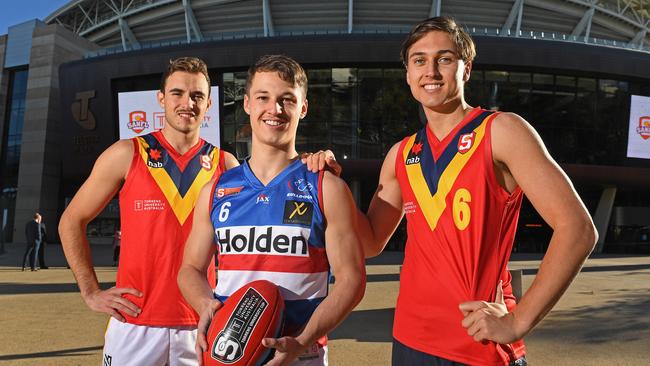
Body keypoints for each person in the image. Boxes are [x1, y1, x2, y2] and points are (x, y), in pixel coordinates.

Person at [306, 16, 597, 366]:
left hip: (478, 346)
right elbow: (369, 243)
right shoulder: (401, 154)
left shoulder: (501, 131)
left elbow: (578, 229)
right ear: (408, 74)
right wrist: (332, 182)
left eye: (444, 58)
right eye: (419, 61)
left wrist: (518, 321)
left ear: (466, 68)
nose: (431, 70)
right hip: (409, 341)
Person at [177, 55, 366, 366]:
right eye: (263, 97)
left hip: (301, 355)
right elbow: (190, 269)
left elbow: (352, 280)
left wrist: (302, 341)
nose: (274, 109)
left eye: (287, 100)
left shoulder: (326, 188)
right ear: (248, 103)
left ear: (303, 108)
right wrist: (204, 305)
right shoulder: (216, 190)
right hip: (230, 350)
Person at [59, 57, 239, 366]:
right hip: (134, 324)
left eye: (197, 96)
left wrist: (310, 164)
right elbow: (71, 221)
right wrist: (90, 291)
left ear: (208, 103)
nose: (188, 103)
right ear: (161, 99)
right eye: (177, 93)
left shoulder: (226, 165)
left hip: (202, 323)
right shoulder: (126, 153)